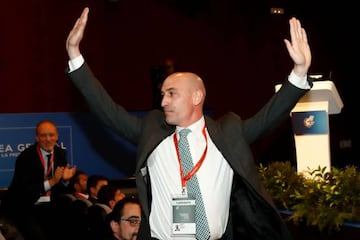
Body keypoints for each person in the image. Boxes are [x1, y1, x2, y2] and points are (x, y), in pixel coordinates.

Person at [65, 7, 312, 239]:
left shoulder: (228, 133)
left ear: (197, 97)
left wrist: (299, 71)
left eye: (172, 93)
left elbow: (270, 116)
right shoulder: (151, 131)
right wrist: (75, 55)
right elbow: (106, 110)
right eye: (162, 94)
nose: (163, 101)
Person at [2, 120, 77, 240]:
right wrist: (52, 181)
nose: (48, 139)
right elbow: (26, 190)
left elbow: (60, 187)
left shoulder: (60, 153)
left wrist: (65, 180)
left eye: (51, 135)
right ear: (37, 138)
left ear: (57, 136)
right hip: (24, 205)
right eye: (43, 135)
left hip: (47, 205)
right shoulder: (26, 157)